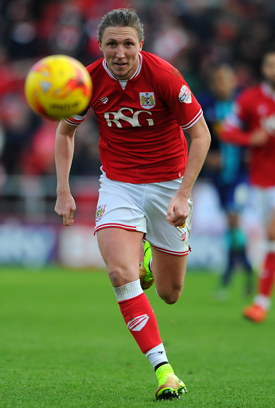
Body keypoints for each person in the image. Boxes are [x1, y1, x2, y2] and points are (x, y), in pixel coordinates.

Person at [54, 8, 211, 400]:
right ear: (100, 46)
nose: (119, 52)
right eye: (111, 44)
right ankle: (165, 372)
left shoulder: (164, 76)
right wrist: (63, 190)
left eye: (127, 43)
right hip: (119, 184)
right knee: (120, 274)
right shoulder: (87, 81)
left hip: (168, 185)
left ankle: (149, 258)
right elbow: (65, 133)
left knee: (170, 292)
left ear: (141, 45)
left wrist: (182, 194)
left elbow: (202, 136)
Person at [221, 47, 275, 323]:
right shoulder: (250, 99)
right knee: (269, 243)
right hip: (260, 182)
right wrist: (250, 139)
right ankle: (261, 301)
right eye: (269, 65)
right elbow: (227, 130)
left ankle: (261, 303)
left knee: (272, 234)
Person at [198, 64, 253, 299]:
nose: (221, 86)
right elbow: (195, 134)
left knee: (233, 217)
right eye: (217, 81)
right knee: (231, 224)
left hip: (241, 174)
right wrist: (208, 157)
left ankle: (241, 270)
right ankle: (241, 268)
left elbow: (256, 129)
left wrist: (249, 150)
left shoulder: (243, 103)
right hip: (219, 177)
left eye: (225, 80)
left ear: (233, 82)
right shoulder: (206, 104)